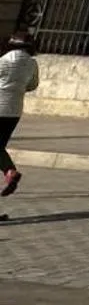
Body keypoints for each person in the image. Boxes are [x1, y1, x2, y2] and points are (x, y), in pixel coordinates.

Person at [0, 28, 40, 204]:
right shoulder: (32, 63)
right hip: (14, 110)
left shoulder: (4, 60)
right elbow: (33, 85)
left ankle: (9, 171)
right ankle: (9, 172)